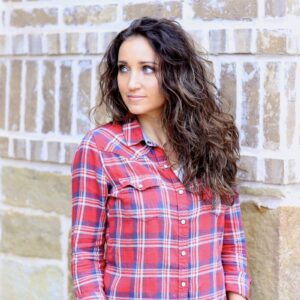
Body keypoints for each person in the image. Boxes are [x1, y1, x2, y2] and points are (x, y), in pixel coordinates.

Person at [71, 17, 251, 300]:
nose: (131, 83)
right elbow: (85, 253)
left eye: (147, 69)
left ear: (176, 73)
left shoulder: (212, 143)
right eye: (123, 69)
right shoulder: (100, 148)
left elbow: (232, 244)